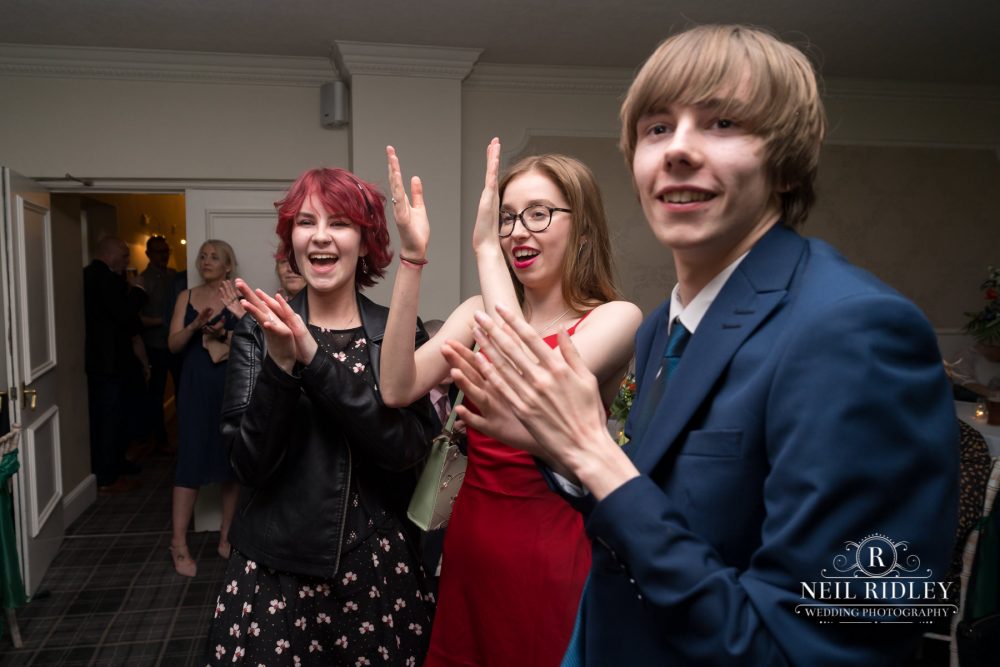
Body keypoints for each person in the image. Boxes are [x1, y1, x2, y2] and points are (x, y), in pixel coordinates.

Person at [445, 25, 960, 665]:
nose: (679, 150)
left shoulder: (861, 331)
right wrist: (560, 449)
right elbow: (663, 511)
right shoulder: (663, 326)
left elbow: (822, 651)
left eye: (722, 123)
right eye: (657, 128)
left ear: (784, 161)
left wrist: (592, 452)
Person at [381, 142, 641, 666]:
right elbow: (396, 386)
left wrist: (484, 249)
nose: (517, 231)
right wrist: (411, 259)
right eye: (507, 218)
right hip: (473, 538)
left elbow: (527, 388)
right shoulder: (479, 311)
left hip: (550, 544)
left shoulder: (615, 319)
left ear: (583, 230)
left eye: (538, 214)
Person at [205, 167, 437, 665]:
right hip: (275, 573)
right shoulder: (257, 332)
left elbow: (405, 450)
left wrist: (313, 359)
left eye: (341, 223)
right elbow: (247, 466)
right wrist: (281, 366)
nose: (321, 236)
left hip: (378, 569)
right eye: (306, 222)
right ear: (291, 240)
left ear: (365, 241)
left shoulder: (393, 330)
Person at [167, 240, 245, 577]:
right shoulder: (185, 296)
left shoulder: (239, 298)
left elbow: (254, 345)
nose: (206, 261)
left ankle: (227, 536)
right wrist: (194, 326)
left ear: (228, 265)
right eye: (203, 256)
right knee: (191, 459)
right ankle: (178, 543)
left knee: (232, 462)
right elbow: (173, 345)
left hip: (231, 386)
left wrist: (225, 334)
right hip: (195, 385)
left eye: (215, 257)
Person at [84, 236, 145, 494]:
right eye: (124, 255)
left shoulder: (91, 275)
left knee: (115, 417)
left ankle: (116, 465)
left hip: (108, 361)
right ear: (109, 255)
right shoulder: (104, 278)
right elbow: (124, 315)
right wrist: (138, 291)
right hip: (107, 361)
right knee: (108, 420)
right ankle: (107, 476)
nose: (127, 261)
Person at [137, 235, 178, 454]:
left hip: (177, 344)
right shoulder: (143, 281)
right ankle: (160, 441)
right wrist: (163, 320)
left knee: (183, 390)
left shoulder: (174, 275)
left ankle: (184, 438)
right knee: (156, 394)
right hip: (155, 345)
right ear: (149, 254)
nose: (164, 255)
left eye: (166, 251)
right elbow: (136, 318)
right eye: (159, 252)